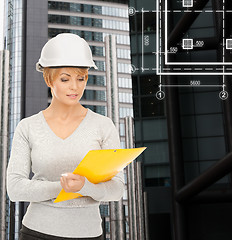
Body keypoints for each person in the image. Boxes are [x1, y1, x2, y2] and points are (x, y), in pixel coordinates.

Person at [6, 33, 125, 240]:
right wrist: (61, 187)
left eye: (81, 78)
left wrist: (84, 186)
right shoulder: (28, 127)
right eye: (65, 79)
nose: (75, 87)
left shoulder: (103, 126)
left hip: (89, 234)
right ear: (48, 79)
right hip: (37, 233)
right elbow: (15, 188)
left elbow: (117, 189)